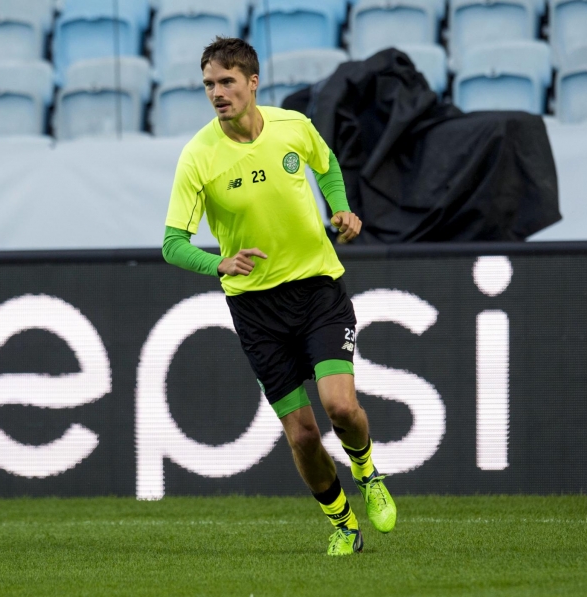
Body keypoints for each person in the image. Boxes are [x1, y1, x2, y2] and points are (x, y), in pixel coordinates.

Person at [161, 37, 397, 556]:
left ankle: (368, 472)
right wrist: (215, 262)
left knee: (340, 406)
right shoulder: (198, 156)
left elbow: (328, 164)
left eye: (226, 82)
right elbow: (172, 243)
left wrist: (341, 208)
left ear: (252, 82)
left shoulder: (292, 126)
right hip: (256, 310)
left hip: (317, 289)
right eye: (208, 85)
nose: (217, 93)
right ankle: (342, 525)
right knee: (304, 436)